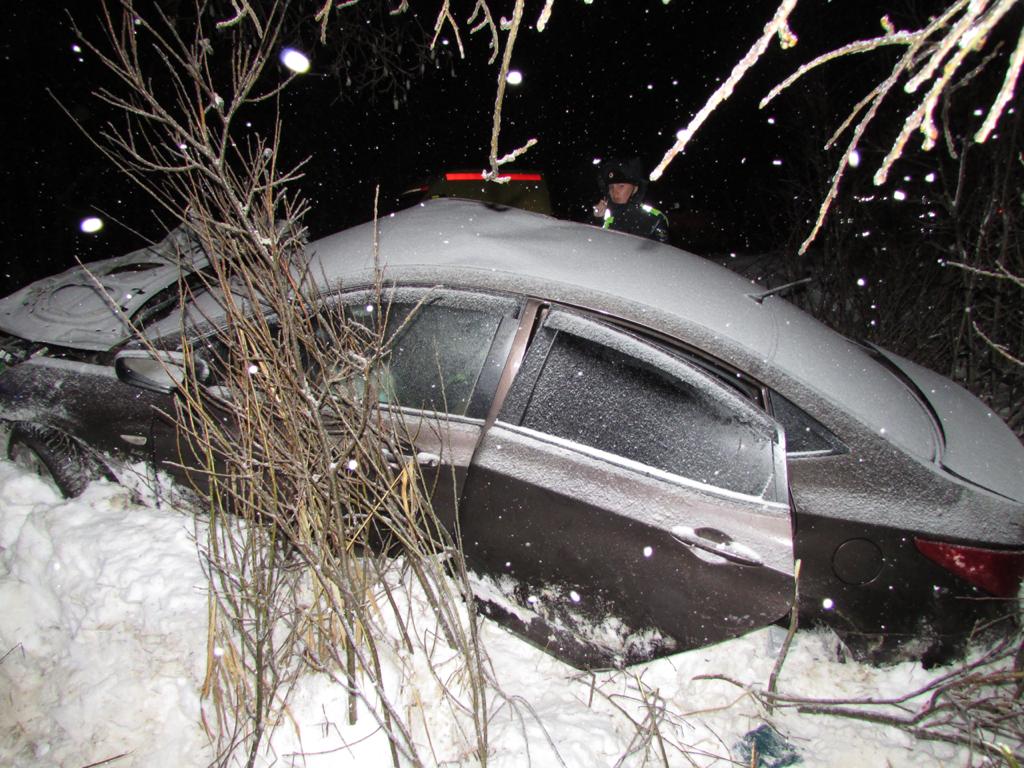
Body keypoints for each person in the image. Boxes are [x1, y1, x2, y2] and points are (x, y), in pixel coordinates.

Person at [593, 157, 670, 243]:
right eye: (611, 187)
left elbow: (661, 252)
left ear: (635, 188)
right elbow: (588, 244)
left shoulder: (654, 218)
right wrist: (596, 219)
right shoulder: (601, 215)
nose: (615, 191)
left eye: (621, 186)